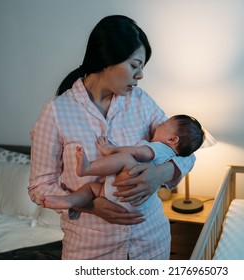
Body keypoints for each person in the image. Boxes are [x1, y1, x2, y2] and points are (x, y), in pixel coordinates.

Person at [28, 15, 196, 260]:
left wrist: (160, 174)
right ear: (107, 61)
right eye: (134, 65)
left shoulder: (142, 103)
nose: (140, 76)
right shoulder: (57, 111)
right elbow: (39, 187)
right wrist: (91, 205)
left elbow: (184, 151)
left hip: (151, 242)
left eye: (142, 68)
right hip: (91, 250)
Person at [41, 114, 205, 212]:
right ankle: (70, 201)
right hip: (129, 200)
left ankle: (87, 168)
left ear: (172, 139)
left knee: (125, 159)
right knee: (91, 189)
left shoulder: (160, 148)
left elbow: (138, 152)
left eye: (162, 125)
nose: (157, 125)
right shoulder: (167, 152)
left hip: (127, 188)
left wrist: (111, 149)